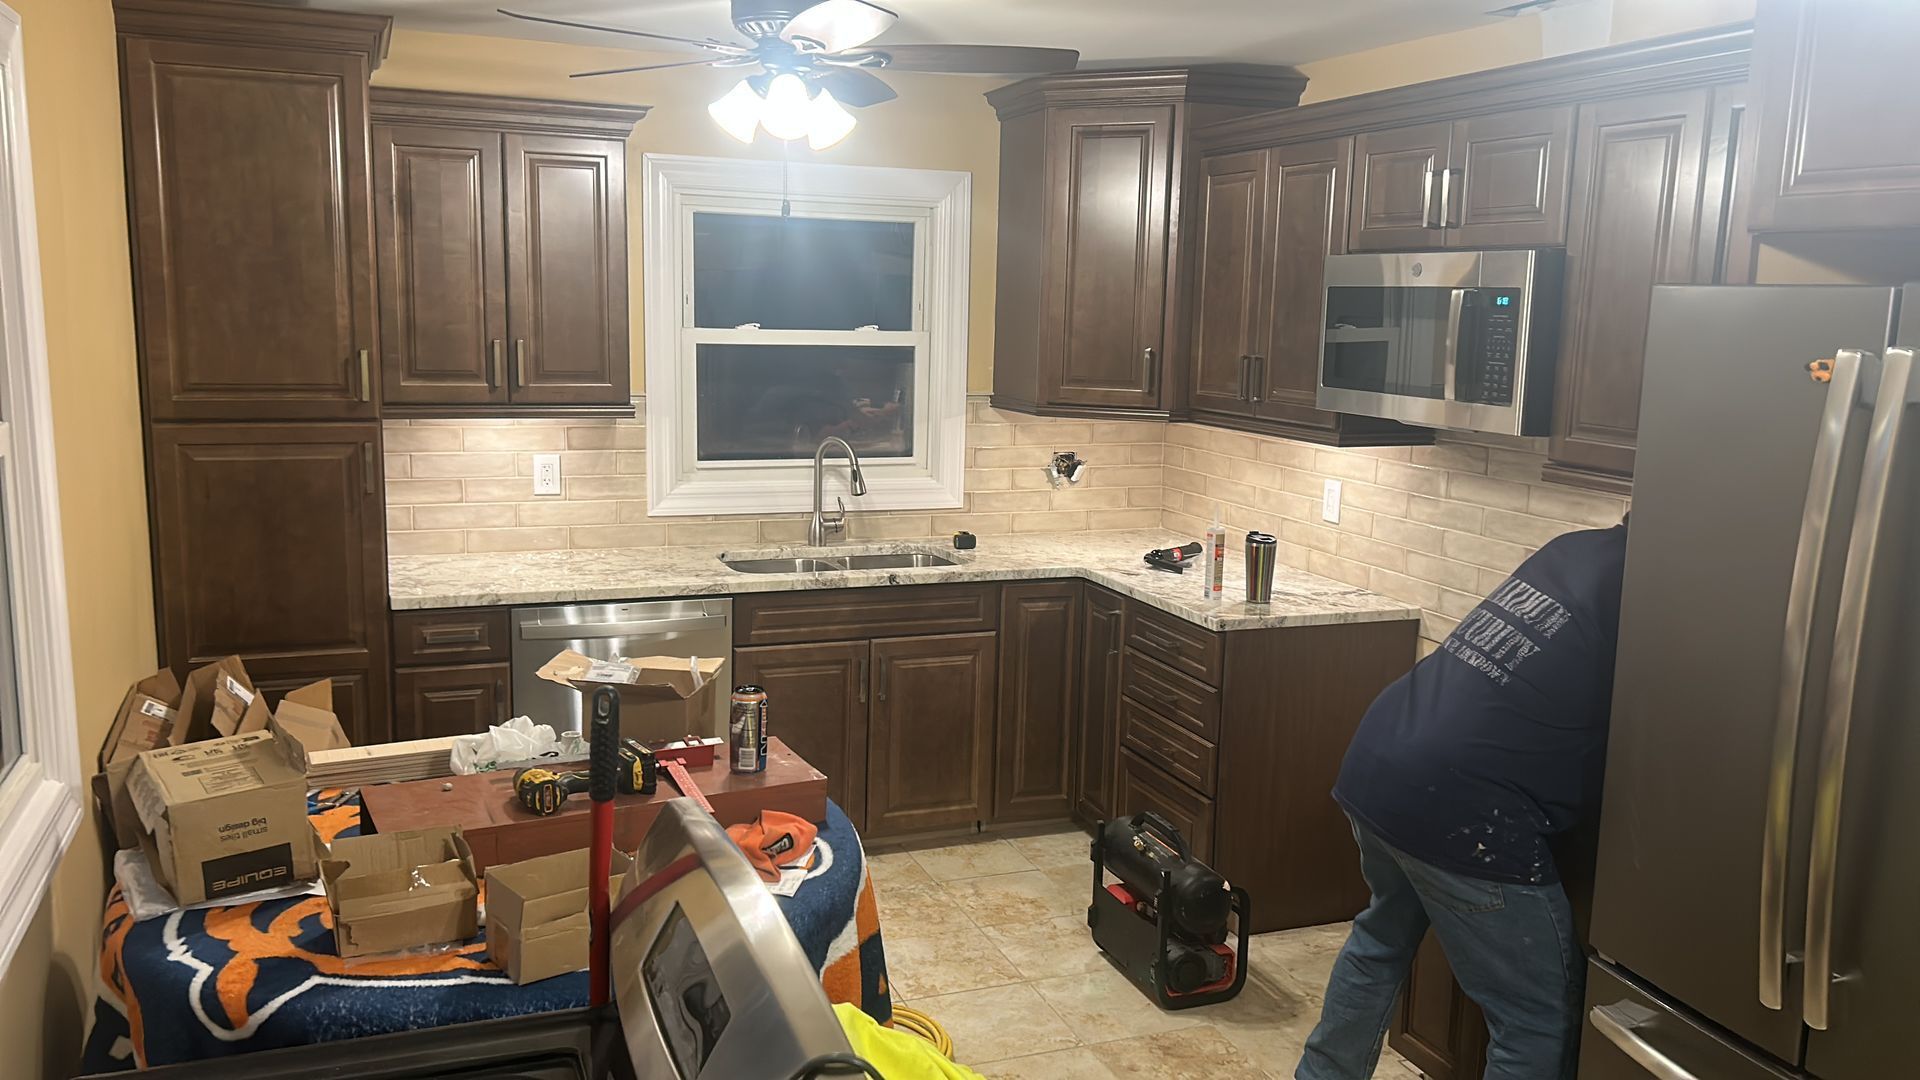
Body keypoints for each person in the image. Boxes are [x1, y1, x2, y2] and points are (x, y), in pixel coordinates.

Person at [1296, 518, 1630, 1080]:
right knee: (1533, 1017)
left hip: (1386, 755)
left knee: (1380, 939)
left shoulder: (1575, 547)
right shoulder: (1651, 589)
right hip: (1463, 805)